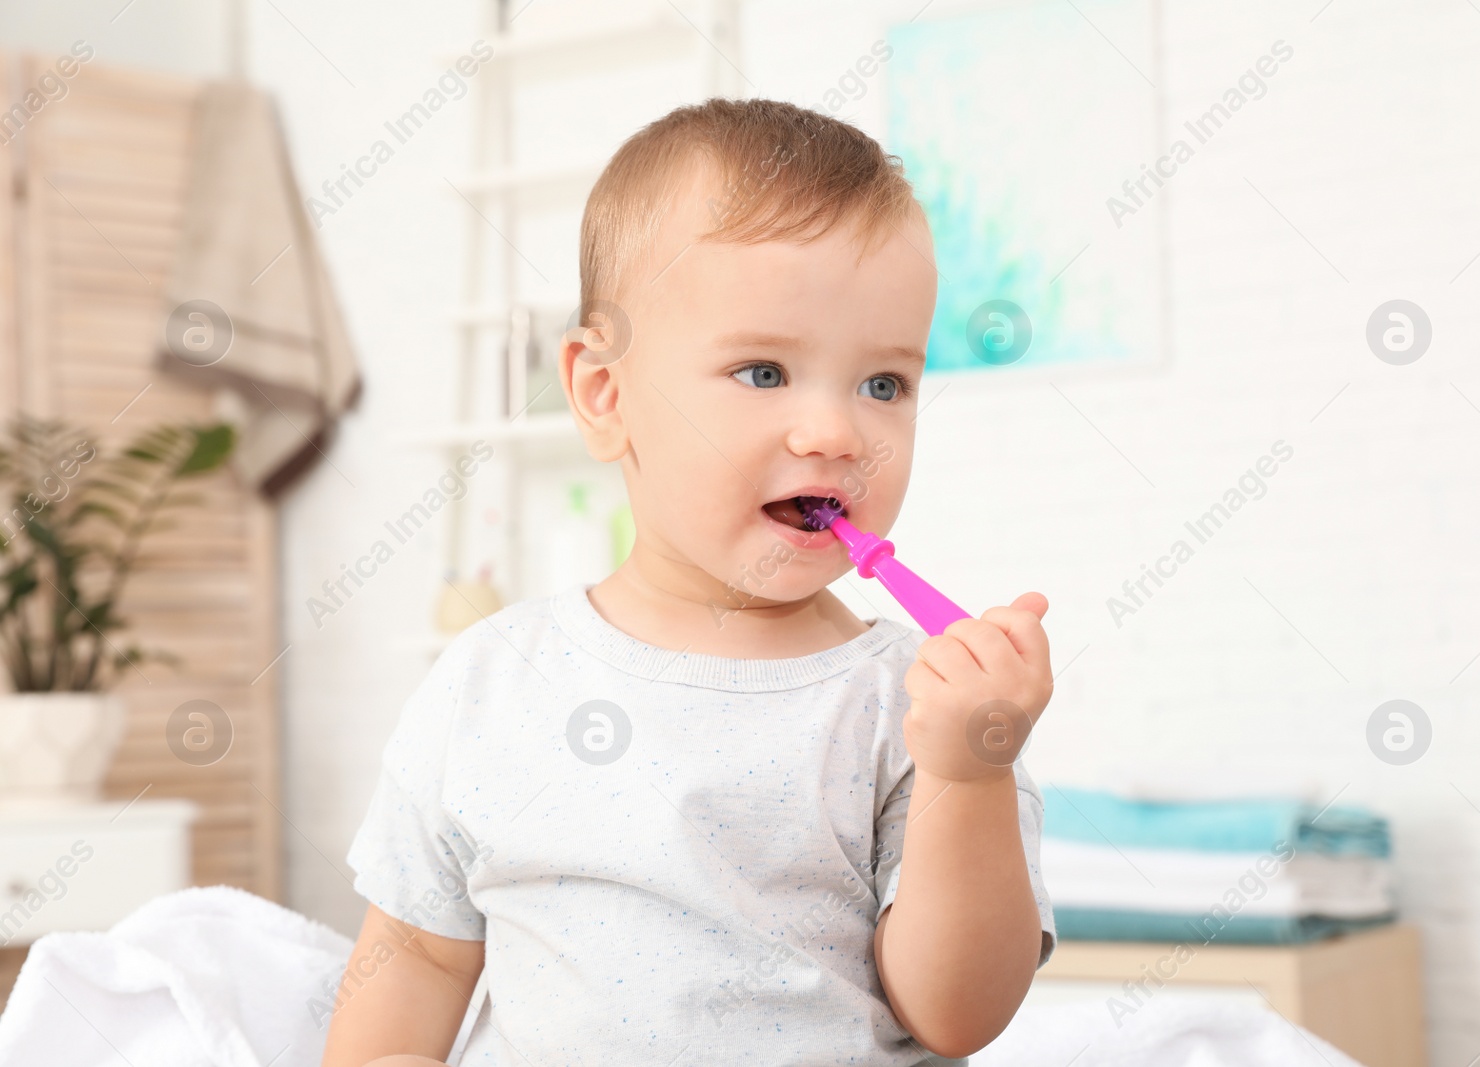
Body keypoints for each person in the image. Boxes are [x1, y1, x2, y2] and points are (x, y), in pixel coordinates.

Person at [321, 97, 1057, 1067]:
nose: (836, 432)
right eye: (762, 371)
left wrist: (970, 773)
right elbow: (412, 955)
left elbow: (957, 1014)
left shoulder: (911, 707)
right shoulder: (492, 680)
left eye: (884, 383)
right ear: (604, 393)